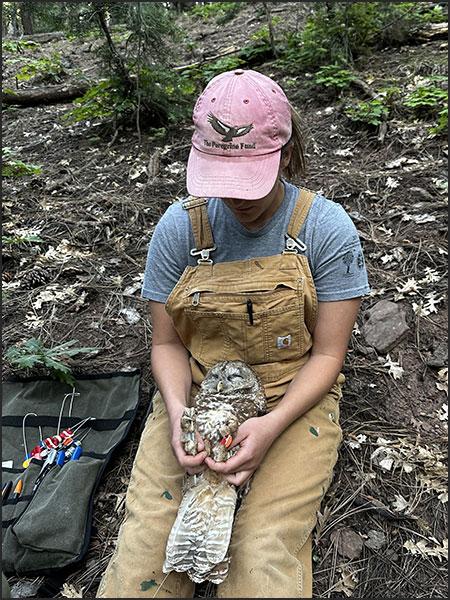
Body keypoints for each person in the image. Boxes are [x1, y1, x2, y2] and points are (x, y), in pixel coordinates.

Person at [97, 68, 370, 599]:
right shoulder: (181, 227)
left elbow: (329, 354)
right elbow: (167, 343)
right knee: (146, 552)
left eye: (248, 177)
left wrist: (271, 427)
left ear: (286, 154)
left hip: (294, 395)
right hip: (196, 391)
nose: (235, 198)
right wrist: (178, 414)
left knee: (263, 549)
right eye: (218, 177)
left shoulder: (324, 229)